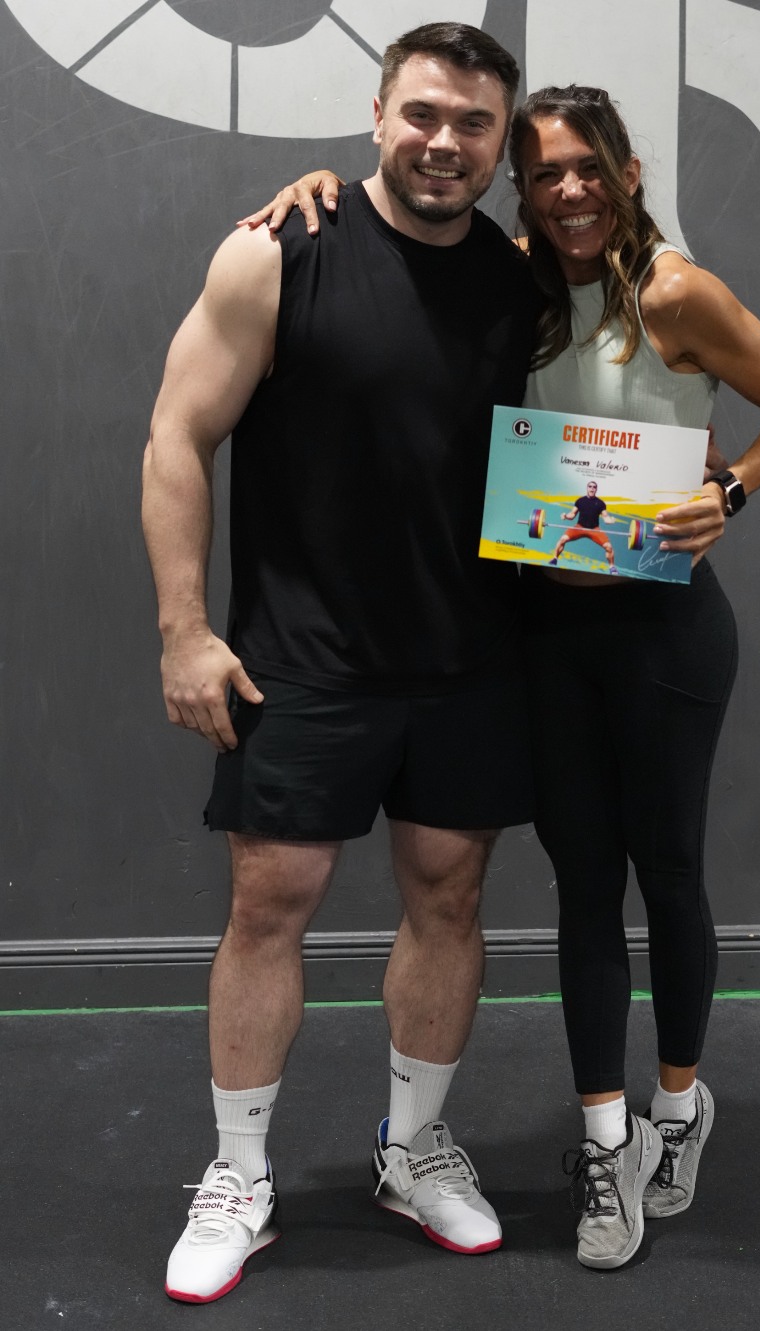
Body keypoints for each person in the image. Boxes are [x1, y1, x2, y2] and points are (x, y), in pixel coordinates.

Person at [245, 80, 760, 1273]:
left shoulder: (674, 290)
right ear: (522, 182)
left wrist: (729, 491)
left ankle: (676, 1112)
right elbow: (398, 227)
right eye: (543, 169)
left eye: (586, 167)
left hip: (665, 636)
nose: (566, 189)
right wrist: (308, 196)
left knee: (665, 873)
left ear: (624, 171)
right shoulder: (516, 282)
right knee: (577, 886)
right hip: (542, 636)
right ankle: (602, 1148)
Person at [141, 23, 543, 1304]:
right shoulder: (277, 251)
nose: (443, 142)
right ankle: (241, 1174)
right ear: (376, 115)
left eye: (473, 125)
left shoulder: (523, 283)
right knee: (268, 907)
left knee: (450, 901)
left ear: (500, 142)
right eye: (422, 114)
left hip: (470, 657)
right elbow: (174, 439)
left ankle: (413, 1148)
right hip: (302, 659)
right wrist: (185, 630)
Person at [549, 479, 619, 571]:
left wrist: (611, 520)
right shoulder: (580, 501)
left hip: (594, 529)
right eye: (590, 486)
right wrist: (565, 516)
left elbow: (606, 518)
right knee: (563, 539)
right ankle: (555, 558)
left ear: (596, 489)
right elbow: (572, 514)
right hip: (579, 527)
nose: (592, 489)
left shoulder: (601, 503)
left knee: (608, 547)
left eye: (594, 487)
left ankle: (612, 567)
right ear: (587, 488)